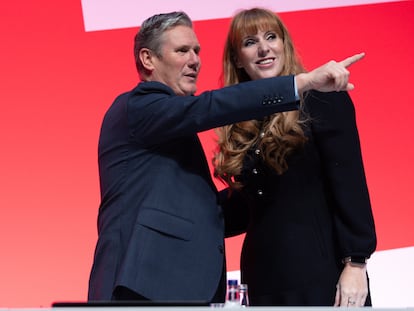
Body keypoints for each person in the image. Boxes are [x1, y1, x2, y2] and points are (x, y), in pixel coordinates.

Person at [87, 10, 366, 303]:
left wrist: (354, 258)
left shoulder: (168, 126)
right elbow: (207, 107)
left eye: (197, 51)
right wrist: (300, 83)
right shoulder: (138, 108)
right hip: (140, 286)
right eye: (182, 50)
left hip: (188, 286)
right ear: (148, 59)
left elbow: (205, 209)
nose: (194, 60)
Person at [213, 8, 377, 307]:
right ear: (237, 58)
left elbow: (349, 183)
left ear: (284, 44)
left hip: (320, 273)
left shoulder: (321, 97)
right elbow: (249, 204)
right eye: (250, 42)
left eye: (271, 37)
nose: (264, 48)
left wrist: (356, 263)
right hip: (262, 277)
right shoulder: (240, 120)